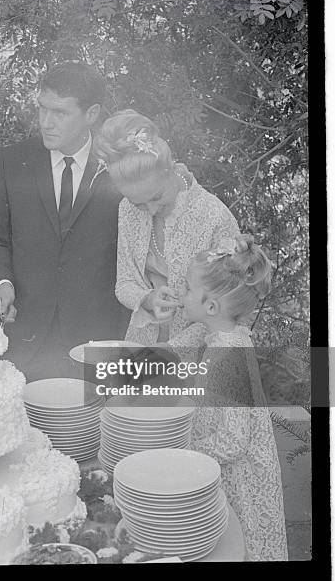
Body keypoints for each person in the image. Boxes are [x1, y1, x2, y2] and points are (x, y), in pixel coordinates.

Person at [0, 62, 129, 382]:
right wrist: (2, 285)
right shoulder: (11, 160)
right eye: (42, 109)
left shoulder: (120, 165)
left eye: (59, 113)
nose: (46, 122)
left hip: (98, 339)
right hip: (26, 337)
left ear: (91, 114)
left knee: (91, 431)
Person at [179, 234, 288, 561]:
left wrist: (182, 452)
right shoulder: (220, 331)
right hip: (222, 469)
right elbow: (176, 350)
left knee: (239, 544)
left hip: (240, 480)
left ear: (210, 306)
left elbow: (233, 440)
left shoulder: (230, 354)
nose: (182, 295)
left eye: (187, 290)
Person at [94, 109, 239, 347]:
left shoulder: (214, 215)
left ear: (170, 168)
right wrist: (148, 299)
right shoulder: (126, 210)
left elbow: (229, 310)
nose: (150, 211)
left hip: (202, 351)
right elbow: (125, 283)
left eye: (157, 196)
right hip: (143, 343)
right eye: (137, 203)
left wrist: (173, 351)